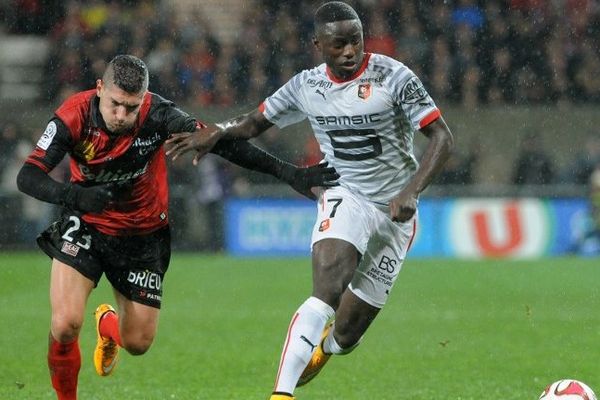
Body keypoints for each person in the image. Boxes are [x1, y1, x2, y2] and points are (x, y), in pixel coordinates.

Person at [166, 2, 454, 399]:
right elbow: (254, 122)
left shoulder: (394, 76)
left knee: (349, 333)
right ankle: (281, 394)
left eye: (356, 41)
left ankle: (327, 347)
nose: (350, 51)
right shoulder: (306, 86)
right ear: (318, 44)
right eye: (339, 45)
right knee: (327, 286)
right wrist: (217, 130)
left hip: (396, 212)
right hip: (345, 194)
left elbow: (442, 137)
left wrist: (411, 191)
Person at [16, 54, 338, 400]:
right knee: (65, 324)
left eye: (131, 107)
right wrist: (75, 198)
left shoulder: (160, 115)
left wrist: (289, 172)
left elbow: (221, 143)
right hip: (86, 225)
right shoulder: (73, 116)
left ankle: (108, 326)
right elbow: (28, 176)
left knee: (138, 343)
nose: (122, 116)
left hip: (142, 235)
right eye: (115, 105)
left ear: (145, 98)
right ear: (99, 90)